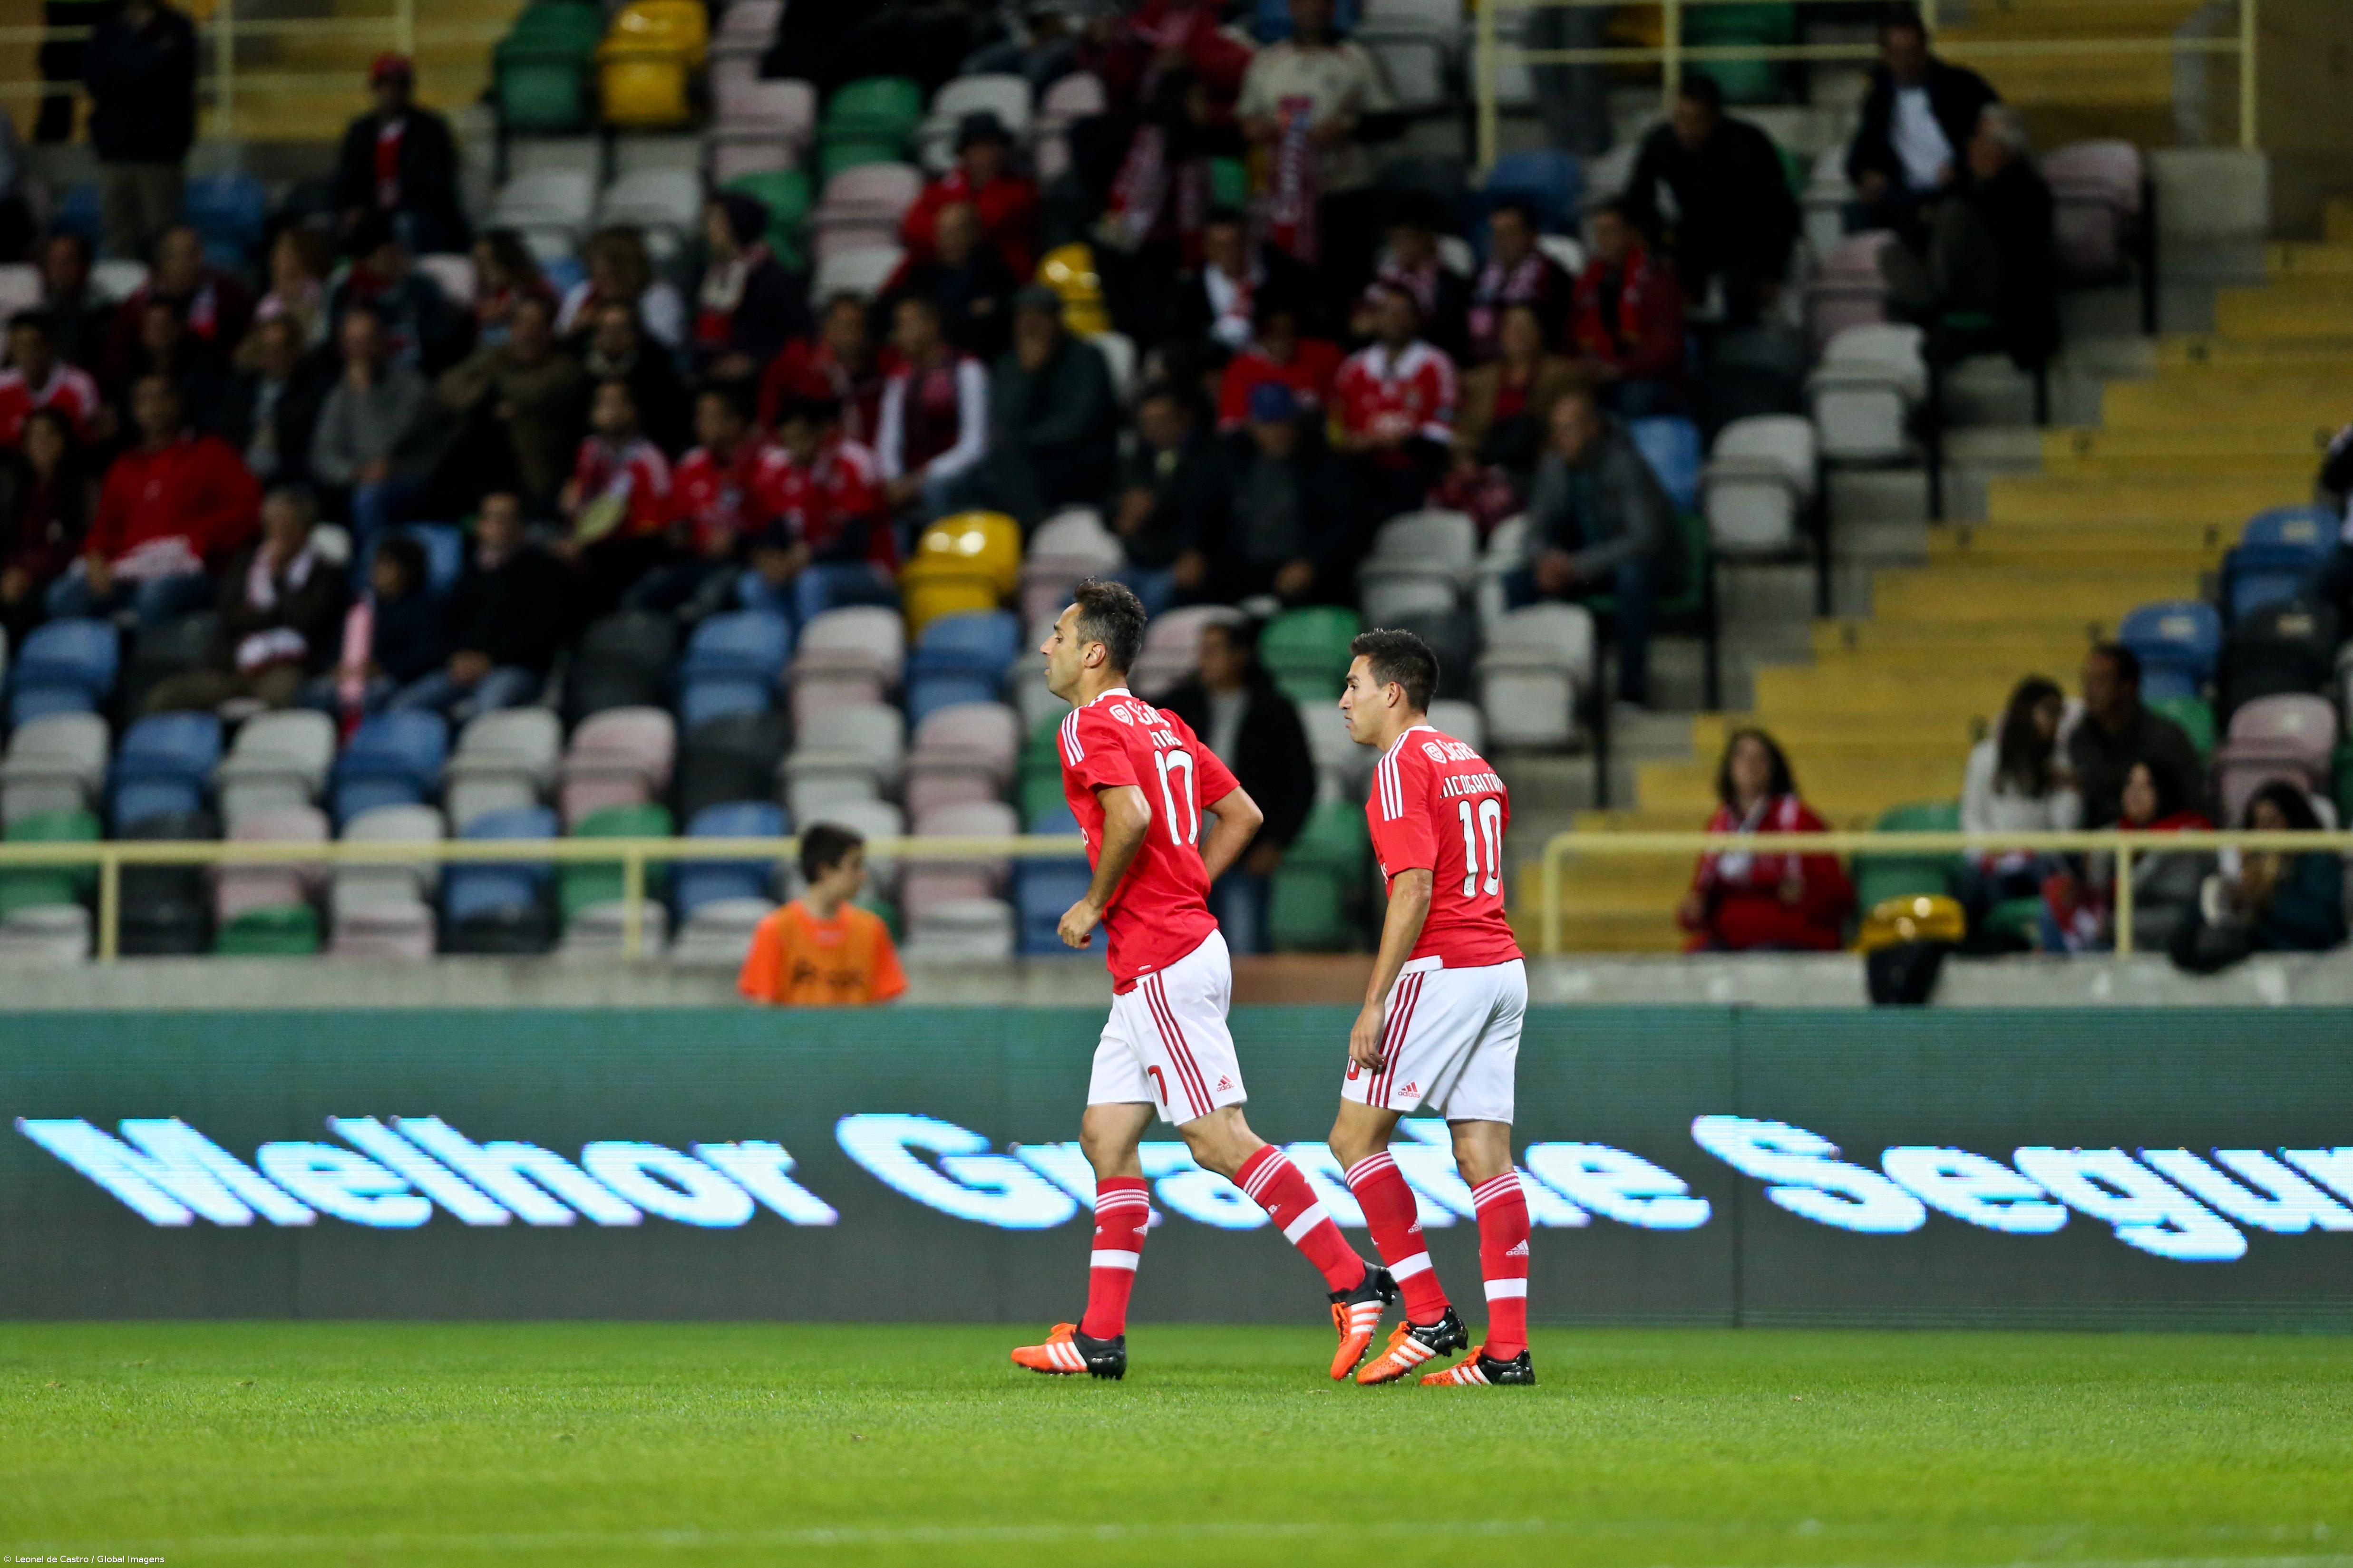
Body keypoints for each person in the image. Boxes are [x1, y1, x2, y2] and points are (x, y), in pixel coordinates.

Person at [1011, 579, 1382, 1382]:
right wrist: (1190, 885)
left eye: (1058, 634)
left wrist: (1093, 902)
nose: (1047, 647)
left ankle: (1354, 1281)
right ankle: (1099, 1338)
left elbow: (1133, 816)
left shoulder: (1086, 723)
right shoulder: (1167, 722)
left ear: (1093, 653)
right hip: (1169, 952)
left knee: (1217, 1139)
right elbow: (1243, 814)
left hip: (1160, 959)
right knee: (1105, 1138)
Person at [1325, 628, 1534, 1387]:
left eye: (1354, 684)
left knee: (1353, 1138)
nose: (1343, 699)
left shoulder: (1398, 766)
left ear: (1394, 691)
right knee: (1484, 1156)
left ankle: (1428, 1311)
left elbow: (1413, 887)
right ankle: (1507, 1353)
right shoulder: (1473, 762)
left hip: (1445, 966)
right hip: (1503, 967)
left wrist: (1374, 1000)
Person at [1510, 387, 1679, 707]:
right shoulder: (1553, 466)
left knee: (1633, 579)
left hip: (1645, 567)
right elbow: (1534, 531)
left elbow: (1645, 539)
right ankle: (1532, 695)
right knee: (1516, 582)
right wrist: (1545, 560)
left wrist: (1577, 566)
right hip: (1581, 568)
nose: (1560, 438)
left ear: (1592, 428)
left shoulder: (1625, 465)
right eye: (1555, 429)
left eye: (1568, 429)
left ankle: (1632, 693)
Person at [49, 374, 261, 623]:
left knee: (155, 596)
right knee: (64, 595)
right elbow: (104, 528)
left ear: (178, 403)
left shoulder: (211, 453)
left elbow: (250, 510)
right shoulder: (125, 466)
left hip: (193, 571)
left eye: (162, 397)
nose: (154, 408)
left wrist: (194, 541)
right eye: (144, 400)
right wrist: (95, 558)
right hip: (129, 570)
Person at [1159, 618, 1315, 955]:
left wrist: (1275, 843)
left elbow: (1301, 786)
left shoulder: (1274, 710)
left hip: (1246, 851)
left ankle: (1249, 1009)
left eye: (1213, 650)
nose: (1203, 659)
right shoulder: (1182, 705)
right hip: (1186, 852)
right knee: (1186, 952)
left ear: (1240, 656)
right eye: (1202, 650)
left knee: (1244, 952)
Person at [1882, 104, 2059, 372]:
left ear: (2002, 150)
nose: (1970, 146)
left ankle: (1934, 309)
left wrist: (1954, 204)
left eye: (1979, 138)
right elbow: (1919, 232)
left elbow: (2013, 245)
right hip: (1954, 282)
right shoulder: (1970, 187)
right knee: (1891, 253)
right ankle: (1934, 307)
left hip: (1998, 291)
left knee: (1954, 214)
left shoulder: (2029, 189)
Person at [144, 486, 344, 713]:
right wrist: (272, 615)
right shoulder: (245, 561)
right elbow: (230, 615)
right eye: (272, 523)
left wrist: (277, 577)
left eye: (286, 524)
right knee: (166, 697)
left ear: (304, 530)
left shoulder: (324, 573)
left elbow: (304, 619)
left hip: (284, 667)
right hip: (233, 664)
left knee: (285, 696)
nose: (278, 531)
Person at [1620, 76, 1800, 328]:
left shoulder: (1748, 144)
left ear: (1714, 118)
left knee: (1742, 290)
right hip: (1694, 233)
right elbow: (1638, 200)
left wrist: (1772, 271)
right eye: (1680, 119)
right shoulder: (1662, 142)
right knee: (1664, 281)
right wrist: (1657, 243)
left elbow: (1781, 212)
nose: (1686, 130)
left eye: (1696, 120)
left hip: (1747, 233)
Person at [1237, 0, 1394, 273]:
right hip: (1285, 196)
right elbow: (1246, 118)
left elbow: (1391, 124)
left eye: (1322, 3)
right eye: (1306, 3)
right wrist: (1258, 129)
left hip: (1342, 193)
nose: (1314, 9)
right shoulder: (1268, 60)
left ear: (1333, 8)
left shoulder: (1356, 59)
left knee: (1344, 281)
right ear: (1292, 7)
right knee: (1288, 282)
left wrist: (1349, 127)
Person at [392, 492, 567, 721]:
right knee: (404, 706)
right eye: (488, 518)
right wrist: (454, 658)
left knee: (485, 708)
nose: (494, 526)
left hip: (514, 668)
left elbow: (541, 633)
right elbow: (442, 627)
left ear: (521, 527)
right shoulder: (468, 573)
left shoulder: (543, 571)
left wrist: (490, 660)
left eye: (502, 519)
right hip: (461, 668)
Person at [1677, 728, 1854, 952]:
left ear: (1774, 768)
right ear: (1728, 767)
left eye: (1759, 758)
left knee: (1760, 963)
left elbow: (1840, 897)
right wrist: (1694, 909)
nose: (1749, 765)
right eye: (1741, 756)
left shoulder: (1801, 820)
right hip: (1730, 937)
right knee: (1695, 960)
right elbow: (1697, 905)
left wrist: (1806, 897)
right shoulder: (1720, 825)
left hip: (1788, 935)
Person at [1845, 7, 2000, 241]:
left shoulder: (1962, 86)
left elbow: (1998, 133)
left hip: (1958, 191)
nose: (1905, 62)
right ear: (1885, 55)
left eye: (1911, 52)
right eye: (1897, 53)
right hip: (1902, 195)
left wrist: (1962, 171)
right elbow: (1861, 151)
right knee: (1857, 212)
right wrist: (1866, 175)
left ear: (1924, 49)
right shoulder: (1879, 98)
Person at [745, 392, 895, 625]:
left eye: (801, 439)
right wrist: (770, 559)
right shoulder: (782, 468)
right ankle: (780, 654)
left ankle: (811, 656)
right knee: (755, 584)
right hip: (807, 565)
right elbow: (775, 530)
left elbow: (856, 542)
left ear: (823, 432)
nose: (795, 449)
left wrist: (808, 558)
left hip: (871, 568)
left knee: (812, 583)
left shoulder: (854, 461)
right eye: (788, 441)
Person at [435, 291, 588, 513]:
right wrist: (488, 403)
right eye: (521, 323)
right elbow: (448, 387)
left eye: (537, 326)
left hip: (533, 474)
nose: (528, 334)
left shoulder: (565, 366)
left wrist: (489, 390)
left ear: (549, 330)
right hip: (478, 465)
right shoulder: (494, 355)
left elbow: (539, 391)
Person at [979, 285, 1120, 526]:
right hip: (1024, 457)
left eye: (1039, 316)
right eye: (1023, 317)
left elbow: (1081, 423)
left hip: (1079, 459)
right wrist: (1030, 376)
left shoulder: (1086, 357)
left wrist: (1025, 441)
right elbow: (1004, 417)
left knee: (1010, 462)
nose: (1030, 325)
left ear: (1057, 319)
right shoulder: (1009, 364)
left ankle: (1025, 532)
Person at [309, 303, 435, 570]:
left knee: (369, 498)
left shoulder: (411, 385)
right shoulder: (340, 393)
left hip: (409, 478)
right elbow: (323, 452)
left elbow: (387, 443)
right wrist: (354, 472)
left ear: (382, 341)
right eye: (354, 343)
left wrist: (365, 395)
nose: (362, 351)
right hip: (359, 481)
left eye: (368, 341)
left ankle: (371, 579)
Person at [2042, 758, 2211, 954]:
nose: (2134, 793)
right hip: (2112, 933)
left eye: (2147, 786)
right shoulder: (2114, 833)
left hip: (2160, 939)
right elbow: (2098, 890)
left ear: (2166, 792)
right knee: (2053, 903)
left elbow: (2176, 913)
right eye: (2130, 784)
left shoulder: (2188, 835)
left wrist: (2112, 925)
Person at [636, 384, 772, 618]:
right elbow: (677, 521)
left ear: (735, 423)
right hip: (697, 561)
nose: (698, 425)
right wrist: (678, 535)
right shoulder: (692, 463)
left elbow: (786, 527)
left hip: (749, 563)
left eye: (708, 417)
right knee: (644, 592)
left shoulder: (769, 464)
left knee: (707, 600)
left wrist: (740, 542)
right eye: (697, 417)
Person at [1332, 281, 1456, 534]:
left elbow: (1440, 436)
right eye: (1387, 311)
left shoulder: (1436, 364)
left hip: (1414, 473)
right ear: (1375, 317)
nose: (1394, 320)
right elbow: (1336, 428)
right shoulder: (1353, 367)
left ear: (1415, 319)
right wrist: (1351, 442)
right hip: (1360, 473)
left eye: (1402, 312)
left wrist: (1387, 442)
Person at [738, 823, 910, 1006]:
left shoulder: (871, 928)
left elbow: (884, 1006)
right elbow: (764, 1010)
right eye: (855, 866)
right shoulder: (775, 929)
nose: (863, 876)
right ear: (825, 870)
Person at [1213, 381, 1352, 607]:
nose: (1278, 433)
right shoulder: (1235, 463)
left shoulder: (1322, 465)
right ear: (1252, 426)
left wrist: (1311, 563)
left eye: (1284, 423)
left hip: (1302, 570)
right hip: (1244, 570)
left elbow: (1345, 523)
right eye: (1268, 424)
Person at [1960, 675, 2080, 926]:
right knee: (1972, 886)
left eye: (2060, 714)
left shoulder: (2059, 763)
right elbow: (1972, 819)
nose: (2056, 721)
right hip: (1995, 861)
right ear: (2026, 712)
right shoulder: (1985, 757)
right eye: (2049, 712)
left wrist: (2069, 787)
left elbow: (2064, 830)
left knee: (2053, 878)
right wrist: (1992, 852)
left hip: (2040, 863)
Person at [82, 0, 197, 261]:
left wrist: (125, 66)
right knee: (118, 239)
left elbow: (173, 77)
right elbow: (93, 78)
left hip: (159, 154)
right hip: (115, 151)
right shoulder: (109, 27)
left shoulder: (176, 28)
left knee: (162, 241)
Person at [560, 377, 674, 619]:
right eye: (602, 403)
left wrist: (593, 540)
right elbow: (579, 503)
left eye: (616, 403)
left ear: (633, 410)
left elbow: (654, 528)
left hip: (634, 549)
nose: (609, 411)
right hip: (592, 543)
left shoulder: (650, 459)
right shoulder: (589, 450)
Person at [332, 54, 468, 257]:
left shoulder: (430, 130)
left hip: (418, 211)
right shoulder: (361, 131)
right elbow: (347, 178)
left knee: (404, 225)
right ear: (375, 88)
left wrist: (397, 200)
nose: (391, 93)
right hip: (372, 211)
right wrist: (354, 208)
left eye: (398, 86)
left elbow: (436, 185)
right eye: (385, 85)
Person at [875, 294, 990, 524]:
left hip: (960, 475)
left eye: (908, 324)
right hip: (911, 476)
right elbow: (888, 439)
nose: (900, 334)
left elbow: (974, 445)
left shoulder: (967, 370)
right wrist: (891, 479)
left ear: (932, 326)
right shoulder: (900, 377)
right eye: (898, 326)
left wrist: (922, 477)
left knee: (935, 489)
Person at [2068, 642, 2207, 828]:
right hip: (2104, 842)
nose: (2090, 691)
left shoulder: (2165, 738)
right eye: (2087, 680)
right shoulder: (2081, 739)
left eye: (2100, 681)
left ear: (2128, 686)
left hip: (2163, 839)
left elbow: (2195, 803)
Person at [1568, 202, 1687, 416]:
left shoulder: (1657, 279)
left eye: (1610, 232)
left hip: (1648, 377)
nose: (1603, 240)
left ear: (1631, 234)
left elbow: (1665, 348)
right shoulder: (1591, 280)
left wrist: (1618, 369)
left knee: (1634, 398)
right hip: (1600, 370)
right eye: (1599, 233)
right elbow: (1575, 330)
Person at [1452, 302, 1583, 488]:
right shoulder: (1480, 380)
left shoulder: (1561, 375)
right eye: (1511, 326)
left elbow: (1572, 429)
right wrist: (1464, 460)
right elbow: (1465, 432)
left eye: (1525, 327)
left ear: (1540, 334)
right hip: (1485, 468)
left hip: (1536, 471)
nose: (1518, 334)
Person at [902, 111, 1042, 282]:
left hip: (1003, 275)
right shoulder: (942, 187)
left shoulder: (1020, 189)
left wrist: (952, 226)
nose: (985, 155)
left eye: (992, 146)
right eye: (976, 147)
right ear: (963, 152)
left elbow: (994, 220)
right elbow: (913, 227)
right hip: (942, 270)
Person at [879, 199, 1019, 364]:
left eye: (955, 231)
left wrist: (937, 322)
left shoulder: (996, 273)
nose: (947, 239)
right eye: (942, 232)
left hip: (980, 364)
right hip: (924, 364)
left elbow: (994, 328)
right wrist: (965, 314)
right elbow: (885, 315)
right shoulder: (921, 274)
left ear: (975, 234)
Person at [0, 408, 95, 647]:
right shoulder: (13, 489)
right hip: (17, 576)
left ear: (65, 440)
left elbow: (83, 544)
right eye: (35, 437)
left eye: (51, 435)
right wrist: (12, 572)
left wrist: (28, 573)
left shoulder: (84, 489)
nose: (44, 443)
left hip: (60, 576)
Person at [326, 213, 467, 373]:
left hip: (424, 377)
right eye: (389, 253)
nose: (398, 257)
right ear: (367, 259)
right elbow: (339, 350)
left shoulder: (421, 288)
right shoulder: (348, 297)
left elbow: (442, 340)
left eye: (399, 249)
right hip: (371, 382)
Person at [319, 531, 440, 714]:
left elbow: (423, 656)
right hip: (352, 675)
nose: (376, 570)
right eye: (376, 563)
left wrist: (383, 669)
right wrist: (335, 667)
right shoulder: (361, 605)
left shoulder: (424, 608)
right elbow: (334, 644)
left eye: (387, 564)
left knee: (376, 694)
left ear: (408, 570)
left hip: (397, 679)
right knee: (315, 693)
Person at [692, 192, 805, 382]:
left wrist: (755, 361)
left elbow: (795, 334)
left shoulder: (772, 278)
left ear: (737, 223)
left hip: (758, 379)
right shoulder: (704, 274)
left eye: (716, 220)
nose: (708, 229)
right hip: (711, 376)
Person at [107, 224, 254, 371]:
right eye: (190, 255)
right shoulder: (137, 307)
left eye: (199, 253)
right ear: (164, 263)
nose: (199, 262)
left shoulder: (228, 295)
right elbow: (117, 359)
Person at [1174, 205, 1317, 353]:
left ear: (1247, 241)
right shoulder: (1194, 288)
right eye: (1219, 246)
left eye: (1233, 244)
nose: (1227, 253)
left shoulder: (1277, 269)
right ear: (1206, 247)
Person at [759, 293, 887, 445]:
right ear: (827, 329)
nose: (854, 335)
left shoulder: (882, 365)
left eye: (860, 327)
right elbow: (769, 413)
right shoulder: (797, 360)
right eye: (847, 326)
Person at [224, 314, 331, 490]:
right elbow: (227, 434)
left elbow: (313, 451)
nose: (273, 357)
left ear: (295, 350)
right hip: (239, 477)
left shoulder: (313, 390)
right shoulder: (243, 387)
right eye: (266, 349)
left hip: (290, 482)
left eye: (280, 348)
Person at [1215, 293, 1343, 433]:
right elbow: (1230, 426)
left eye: (1288, 332)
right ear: (1260, 337)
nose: (1283, 341)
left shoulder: (1324, 355)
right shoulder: (1241, 369)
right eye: (1274, 333)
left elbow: (1342, 404)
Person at [1466, 200, 1571, 363]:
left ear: (1532, 236)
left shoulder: (1555, 279)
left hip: (1537, 366)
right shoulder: (1478, 278)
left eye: (1509, 233)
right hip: (1486, 366)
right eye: (1496, 233)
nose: (1501, 241)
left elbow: (1557, 335)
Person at [1369, 197, 1471, 364]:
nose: (1400, 247)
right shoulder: (1386, 277)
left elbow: (1452, 329)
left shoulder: (1447, 282)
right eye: (1395, 240)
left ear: (1425, 239)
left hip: (1438, 357)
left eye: (1406, 239)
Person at [581, 300, 689, 457]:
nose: (613, 337)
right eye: (606, 329)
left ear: (635, 333)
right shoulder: (583, 375)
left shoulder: (656, 373)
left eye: (621, 329)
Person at [557, 227, 686, 350]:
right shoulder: (583, 292)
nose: (600, 274)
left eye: (610, 274)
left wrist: (625, 326)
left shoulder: (659, 295)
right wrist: (579, 327)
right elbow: (561, 336)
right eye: (595, 265)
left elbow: (670, 342)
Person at [0, 310, 105, 446]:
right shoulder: (3, 385)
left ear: (49, 346)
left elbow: (91, 437)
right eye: (19, 347)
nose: (26, 354)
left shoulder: (80, 384)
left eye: (33, 346)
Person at [248, 227, 335, 355]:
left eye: (286, 251)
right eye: (277, 251)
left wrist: (291, 300)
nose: (276, 258)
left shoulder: (315, 290)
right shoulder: (270, 300)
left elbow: (315, 335)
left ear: (303, 256)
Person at [36, 233, 112, 370]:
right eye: (53, 262)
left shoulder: (106, 314)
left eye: (66, 262)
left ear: (85, 266)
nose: (59, 270)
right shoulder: (38, 312)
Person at [469, 228, 553, 350]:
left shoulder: (537, 291)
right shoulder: (489, 293)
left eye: (486, 264)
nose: (480, 272)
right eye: (477, 264)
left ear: (507, 262)